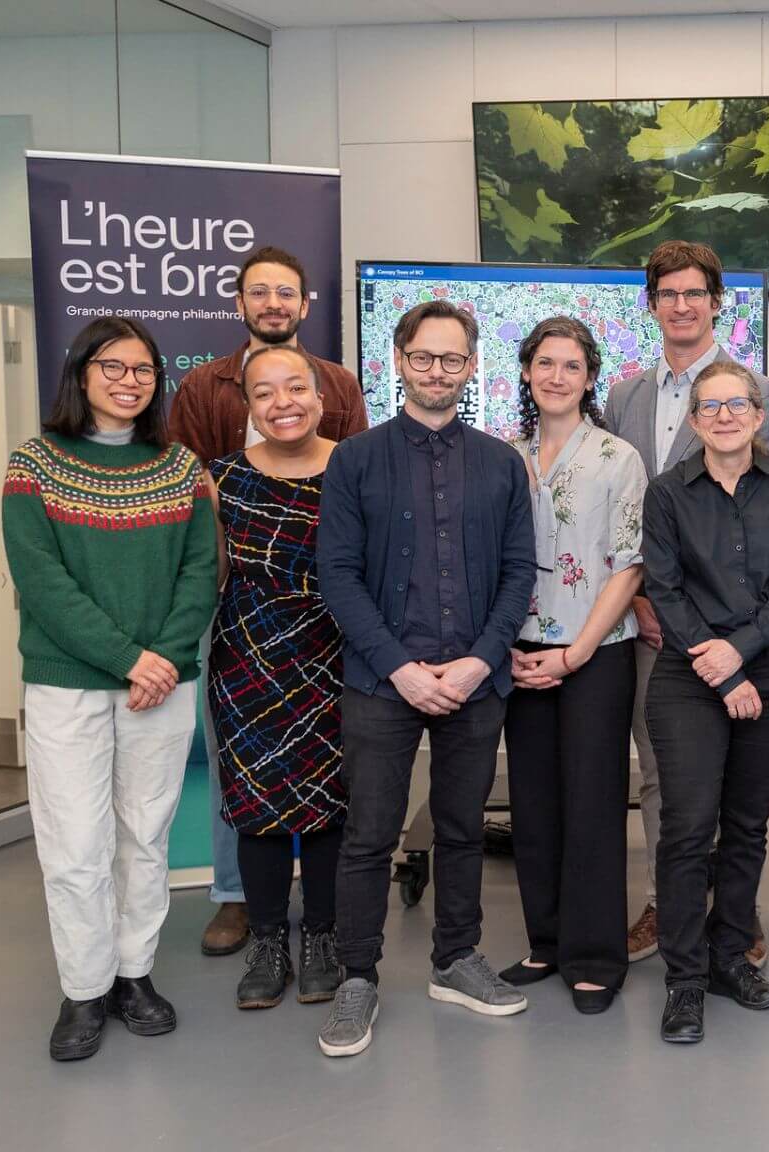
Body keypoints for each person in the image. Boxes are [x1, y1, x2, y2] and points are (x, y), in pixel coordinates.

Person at [313, 300, 536, 1058]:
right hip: (383, 683)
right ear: (398, 360)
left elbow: (517, 574)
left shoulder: (504, 463)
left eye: (452, 359)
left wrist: (479, 660)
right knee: (370, 835)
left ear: (472, 367)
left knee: (462, 828)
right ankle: (357, 977)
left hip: (476, 680)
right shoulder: (354, 460)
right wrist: (401, 669)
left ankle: (455, 960)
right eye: (423, 357)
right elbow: (336, 577)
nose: (437, 371)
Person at [1, 316, 218, 1061]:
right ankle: (84, 990)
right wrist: (131, 657)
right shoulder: (34, 464)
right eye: (114, 367)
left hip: (160, 684)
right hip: (72, 686)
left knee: (144, 835)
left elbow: (201, 571)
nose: (130, 381)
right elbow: (43, 582)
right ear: (82, 373)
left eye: (144, 370)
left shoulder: (182, 467)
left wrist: (162, 656)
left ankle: (134, 975)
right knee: (74, 845)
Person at [169, 244, 367, 959]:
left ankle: (319, 929)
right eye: (260, 293)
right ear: (240, 302)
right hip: (241, 628)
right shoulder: (202, 392)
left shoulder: (342, 388)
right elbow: (186, 509)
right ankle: (245, 911)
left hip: (328, 632)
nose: (274, 304)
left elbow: (364, 513)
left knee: (327, 790)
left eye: (287, 292)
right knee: (244, 784)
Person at [603, 239, 769, 967]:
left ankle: (734, 912)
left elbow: (767, 515)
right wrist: (647, 598)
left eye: (695, 293)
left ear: (718, 302)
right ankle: (668, 900)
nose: (681, 306)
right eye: (667, 294)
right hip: (652, 616)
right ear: (651, 305)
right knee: (664, 774)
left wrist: (733, 631)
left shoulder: (759, 392)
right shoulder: (625, 395)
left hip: (740, 628)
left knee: (739, 784)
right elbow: (626, 511)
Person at [642, 359, 769, 1044]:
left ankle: (727, 960)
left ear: (758, 413)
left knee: (746, 827)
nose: (723, 416)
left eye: (736, 403)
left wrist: (739, 655)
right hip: (688, 678)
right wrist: (720, 669)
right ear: (693, 421)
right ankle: (684, 981)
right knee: (688, 830)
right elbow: (666, 590)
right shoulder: (666, 495)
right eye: (709, 406)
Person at [498, 317, 646, 1016]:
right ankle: (547, 941)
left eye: (571, 365)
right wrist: (509, 648)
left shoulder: (618, 457)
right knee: (533, 804)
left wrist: (576, 653)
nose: (557, 376)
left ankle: (594, 955)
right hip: (520, 654)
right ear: (526, 373)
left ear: (590, 377)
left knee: (591, 803)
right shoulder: (504, 456)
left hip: (596, 653)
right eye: (545, 364)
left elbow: (628, 564)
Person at [208, 345, 348, 1013]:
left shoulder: (355, 469)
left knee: (330, 803)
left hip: (338, 658)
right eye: (265, 393)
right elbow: (208, 577)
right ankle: (269, 943)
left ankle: (322, 937)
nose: (282, 402)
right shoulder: (222, 479)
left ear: (322, 398)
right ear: (248, 406)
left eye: (296, 388)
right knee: (256, 808)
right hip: (248, 661)